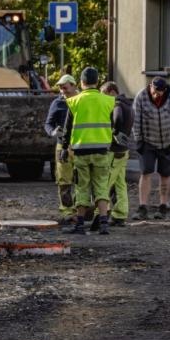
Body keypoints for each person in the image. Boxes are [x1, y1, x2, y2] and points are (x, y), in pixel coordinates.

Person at [62, 67, 116, 235]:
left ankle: (79, 225)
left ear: (81, 82)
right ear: (97, 81)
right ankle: (104, 224)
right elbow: (112, 125)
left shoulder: (74, 101)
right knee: (101, 187)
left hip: (81, 152)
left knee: (82, 188)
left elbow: (67, 128)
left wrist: (64, 148)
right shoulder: (108, 101)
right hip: (101, 151)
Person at [132, 76, 170, 220]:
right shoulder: (141, 96)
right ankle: (142, 207)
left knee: (165, 174)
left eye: (159, 92)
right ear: (151, 86)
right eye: (154, 91)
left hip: (167, 141)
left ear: (164, 90)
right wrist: (138, 140)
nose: (156, 95)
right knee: (146, 173)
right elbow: (136, 119)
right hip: (148, 141)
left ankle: (163, 206)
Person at [45, 73, 79, 227]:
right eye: (60, 88)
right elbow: (48, 124)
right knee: (64, 180)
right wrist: (53, 131)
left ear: (73, 86)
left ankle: (80, 211)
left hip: (79, 145)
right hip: (62, 145)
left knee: (81, 180)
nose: (62, 91)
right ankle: (67, 212)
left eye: (64, 88)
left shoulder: (81, 101)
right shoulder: (57, 104)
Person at [101, 80, 134, 226]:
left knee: (105, 183)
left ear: (110, 92)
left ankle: (102, 214)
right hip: (123, 151)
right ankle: (120, 214)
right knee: (120, 183)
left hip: (114, 151)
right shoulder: (128, 105)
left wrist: (114, 132)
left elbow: (118, 118)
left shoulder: (117, 105)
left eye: (104, 95)